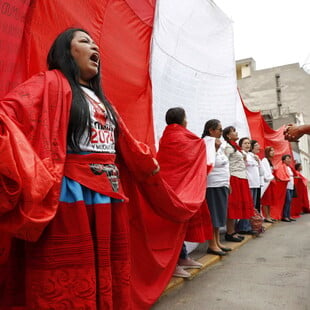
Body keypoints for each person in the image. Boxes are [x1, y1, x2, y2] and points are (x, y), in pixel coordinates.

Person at [0, 28, 160, 309]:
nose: (94, 47)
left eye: (96, 43)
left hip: (109, 197)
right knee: (70, 282)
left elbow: (128, 144)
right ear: (67, 51)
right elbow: (10, 112)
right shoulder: (49, 82)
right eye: (85, 41)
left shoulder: (103, 100)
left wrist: (150, 165)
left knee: (105, 274)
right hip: (70, 196)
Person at [157, 107, 209, 278]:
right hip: (177, 189)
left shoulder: (166, 136)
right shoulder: (183, 137)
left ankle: (183, 258)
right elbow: (198, 146)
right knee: (174, 228)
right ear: (183, 120)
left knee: (179, 226)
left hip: (169, 187)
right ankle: (173, 266)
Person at [202, 119, 231, 255]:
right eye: (219, 129)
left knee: (219, 214)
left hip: (221, 182)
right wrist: (215, 148)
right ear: (211, 130)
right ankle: (212, 244)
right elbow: (208, 161)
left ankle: (217, 241)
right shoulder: (207, 142)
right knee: (213, 214)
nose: (221, 131)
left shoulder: (218, 142)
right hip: (213, 184)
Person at [222, 126, 254, 242]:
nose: (236, 132)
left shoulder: (235, 147)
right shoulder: (228, 147)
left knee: (238, 205)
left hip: (241, 177)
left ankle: (233, 231)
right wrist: (227, 180)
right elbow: (226, 165)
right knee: (233, 206)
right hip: (234, 178)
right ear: (228, 135)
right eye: (233, 131)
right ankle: (229, 232)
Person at [261, 146, 276, 223]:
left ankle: (269, 216)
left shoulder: (269, 161)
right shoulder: (264, 160)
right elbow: (265, 172)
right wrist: (271, 177)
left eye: (273, 150)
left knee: (269, 200)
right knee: (266, 200)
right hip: (266, 182)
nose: (273, 152)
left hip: (270, 182)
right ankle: (266, 216)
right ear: (267, 152)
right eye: (271, 151)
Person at [281, 154, 295, 222]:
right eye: (287, 158)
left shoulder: (289, 167)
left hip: (291, 186)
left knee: (290, 201)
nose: (289, 160)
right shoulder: (283, 167)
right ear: (283, 160)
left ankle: (289, 215)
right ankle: (285, 216)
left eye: (290, 158)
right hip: (286, 186)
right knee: (287, 200)